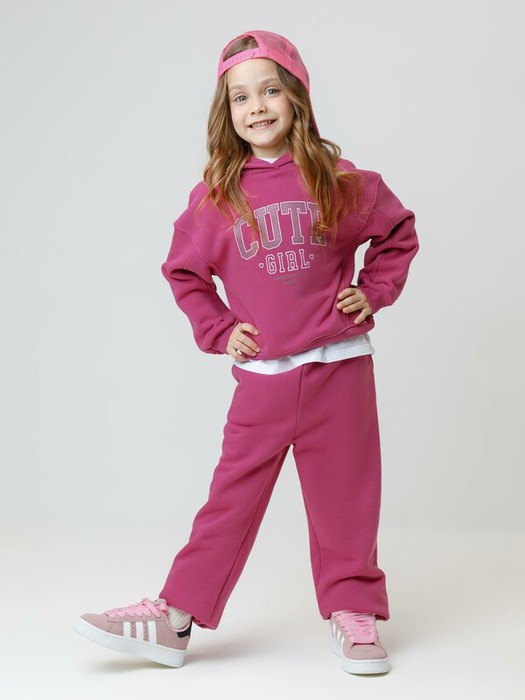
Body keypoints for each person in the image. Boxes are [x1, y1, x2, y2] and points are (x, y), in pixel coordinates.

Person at [74, 29, 419, 676]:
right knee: (230, 499)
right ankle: (175, 619)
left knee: (346, 496)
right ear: (225, 111)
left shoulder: (341, 181)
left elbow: (396, 231)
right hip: (264, 378)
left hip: (340, 368)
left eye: (269, 91)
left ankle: (354, 612)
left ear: (297, 97)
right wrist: (218, 328)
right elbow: (183, 271)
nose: (256, 106)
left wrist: (372, 290)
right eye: (240, 96)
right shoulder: (216, 196)